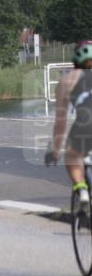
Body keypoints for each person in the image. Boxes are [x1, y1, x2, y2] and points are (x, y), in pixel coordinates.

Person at [46, 41, 92, 212]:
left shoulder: (66, 81)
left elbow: (61, 122)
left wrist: (55, 151)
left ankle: (82, 190)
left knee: (72, 156)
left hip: (84, 125)